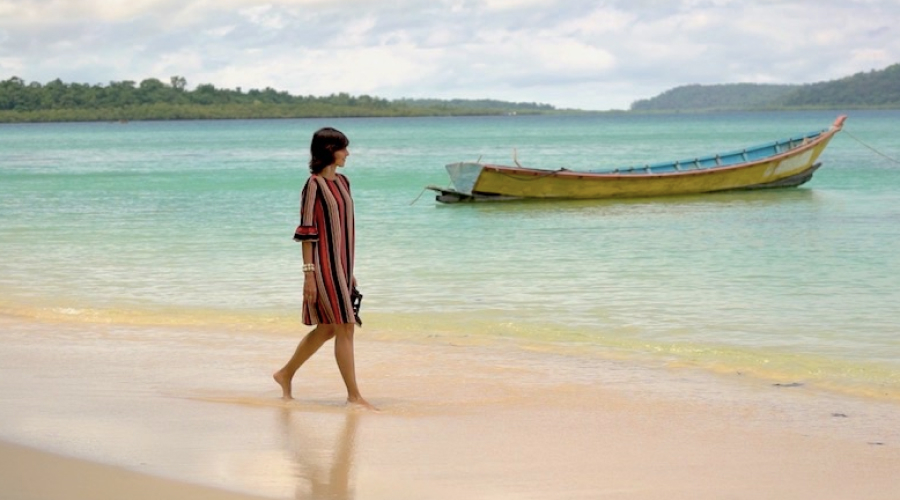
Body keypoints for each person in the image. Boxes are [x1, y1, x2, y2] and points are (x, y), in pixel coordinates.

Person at [274, 127, 373, 409]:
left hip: (342, 267)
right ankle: (354, 396)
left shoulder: (344, 183)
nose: (348, 153)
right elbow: (307, 232)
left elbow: (343, 229)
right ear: (329, 150)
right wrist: (309, 275)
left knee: (328, 328)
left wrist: (349, 269)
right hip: (322, 267)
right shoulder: (313, 185)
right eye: (343, 148)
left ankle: (285, 373)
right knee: (345, 327)